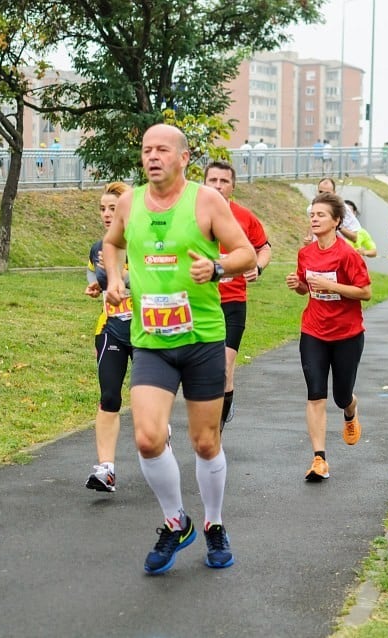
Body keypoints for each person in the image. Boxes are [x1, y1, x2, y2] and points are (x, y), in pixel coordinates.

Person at [102, 123, 256, 575]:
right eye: (147, 149)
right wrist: (113, 278)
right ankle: (176, 521)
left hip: (203, 337)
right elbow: (112, 245)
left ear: (183, 158)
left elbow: (245, 253)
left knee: (205, 442)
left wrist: (219, 265)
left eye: (162, 149)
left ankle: (213, 524)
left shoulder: (206, 201)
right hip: (151, 339)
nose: (152, 157)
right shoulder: (129, 202)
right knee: (148, 438)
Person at [286, 192, 371, 482]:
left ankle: (350, 411)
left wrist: (329, 285)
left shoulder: (348, 254)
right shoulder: (305, 253)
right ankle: (319, 459)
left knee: (341, 395)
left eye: (321, 215)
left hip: (347, 334)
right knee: (315, 393)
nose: (314, 218)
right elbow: (305, 289)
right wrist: (297, 284)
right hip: (314, 331)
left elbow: (365, 292)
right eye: (312, 214)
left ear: (336, 221)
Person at [203, 160, 272, 431]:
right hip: (199, 302)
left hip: (232, 301)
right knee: (203, 370)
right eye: (213, 181)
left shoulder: (244, 216)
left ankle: (215, 433)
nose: (218, 186)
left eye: (224, 181)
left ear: (233, 186)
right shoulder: (190, 214)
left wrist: (257, 266)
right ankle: (214, 414)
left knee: (223, 367)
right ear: (204, 183)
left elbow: (264, 248)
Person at [84, 182, 132, 492]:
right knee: (110, 396)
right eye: (102, 208)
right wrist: (95, 285)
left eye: (112, 208)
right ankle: (106, 469)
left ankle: (159, 445)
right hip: (111, 328)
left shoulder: (144, 242)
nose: (106, 214)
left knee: (146, 403)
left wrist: (122, 277)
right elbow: (93, 274)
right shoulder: (98, 248)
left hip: (147, 331)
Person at [305, 178, 359, 244]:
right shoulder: (311, 208)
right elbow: (311, 228)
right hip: (318, 250)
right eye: (321, 192)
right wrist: (308, 239)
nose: (323, 196)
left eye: (327, 193)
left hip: (337, 251)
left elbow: (354, 238)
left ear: (334, 193)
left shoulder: (343, 209)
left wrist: (338, 226)